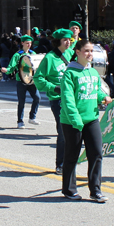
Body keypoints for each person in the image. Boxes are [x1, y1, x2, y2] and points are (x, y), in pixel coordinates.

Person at [60, 39, 112, 202]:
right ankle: (69, 190)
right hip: (72, 121)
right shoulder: (70, 73)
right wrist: (76, 120)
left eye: (92, 51)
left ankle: (95, 190)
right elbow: (68, 99)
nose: (90, 54)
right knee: (72, 156)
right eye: (86, 51)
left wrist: (104, 97)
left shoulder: (93, 72)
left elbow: (95, 91)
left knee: (96, 153)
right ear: (78, 52)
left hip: (92, 119)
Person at [34, 29, 74, 174]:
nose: (68, 42)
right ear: (58, 42)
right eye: (65, 40)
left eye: (69, 40)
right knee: (63, 131)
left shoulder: (70, 54)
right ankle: (61, 164)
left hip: (72, 98)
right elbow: (38, 78)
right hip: (58, 99)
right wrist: (53, 88)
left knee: (75, 129)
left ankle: (71, 161)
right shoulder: (50, 58)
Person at [1, 35, 41, 129]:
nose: (29, 44)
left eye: (30, 43)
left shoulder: (33, 53)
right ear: (22, 43)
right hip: (21, 80)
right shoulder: (18, 55)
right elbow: (12, 66)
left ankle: (32, 117)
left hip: (31, 80)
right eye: (27, 43)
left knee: (37, 98)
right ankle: (20, 121)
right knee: (22, 101)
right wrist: (7, 70)